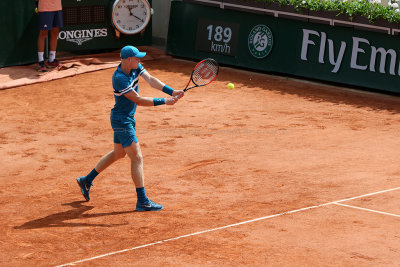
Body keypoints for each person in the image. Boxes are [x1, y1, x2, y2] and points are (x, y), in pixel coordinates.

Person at [77, 46, 184, 211]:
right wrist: (165, 101)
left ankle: (86, 180)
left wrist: (171, 91)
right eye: (137, 58)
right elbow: (138, 100)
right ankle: (142, 201)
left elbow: (151, 79)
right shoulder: (120, 78)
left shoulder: (135, 67)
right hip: (122, 121)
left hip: (125, 118)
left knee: (118, 153)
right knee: (137, 157)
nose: (140, 60)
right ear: (128, 60)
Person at [35, 0, 63, 72]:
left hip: (57, 7)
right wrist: (36, 5)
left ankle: (51, 60)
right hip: (45, 7)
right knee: (43, 34)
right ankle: (40, 62)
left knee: (55, 33)